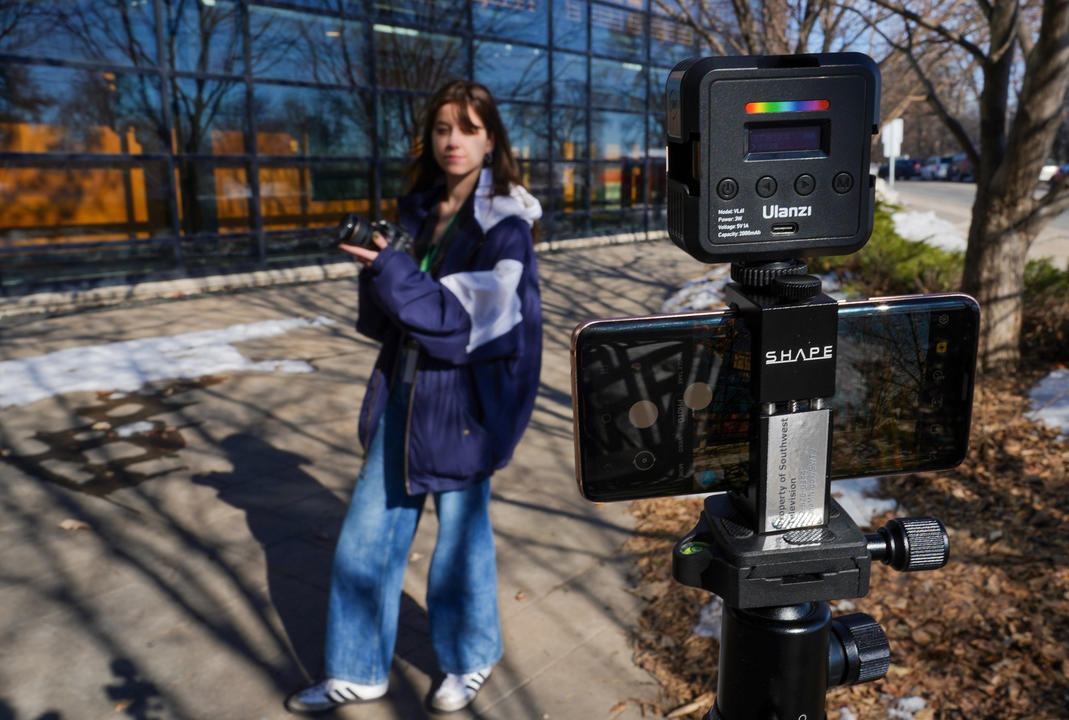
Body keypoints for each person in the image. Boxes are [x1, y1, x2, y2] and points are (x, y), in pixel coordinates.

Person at [285, 80, 543, 715]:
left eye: (468, 128)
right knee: (365, 539)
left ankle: (471, 658)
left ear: (491, 140)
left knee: (459, 546)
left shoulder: (506, 226)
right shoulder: (420, 212)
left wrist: (392, 271)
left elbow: (459, 326)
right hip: (403, 391)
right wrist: (381, 267)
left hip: (461, 405)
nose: (452, 140)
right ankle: (358, 668)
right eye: (441, 129)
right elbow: (394, 319)